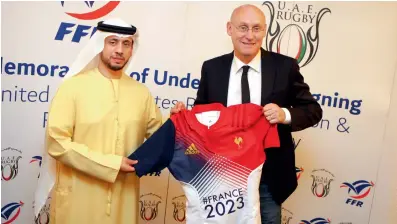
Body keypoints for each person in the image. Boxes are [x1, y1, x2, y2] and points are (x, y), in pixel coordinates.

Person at [171, 4, 323, 223]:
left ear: (265, 31)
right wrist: (184, 117)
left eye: (256, 28)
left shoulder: (285, 67)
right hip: (220, 177)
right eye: (243, 27)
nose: (249, 36)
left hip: (268, 178)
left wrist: (284, 114)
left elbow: (313, 111)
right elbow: (201, 114)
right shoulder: (212, 68)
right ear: (229, 29)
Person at [34, 18, 163, 224]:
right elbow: (57, 142)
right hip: (79, 201)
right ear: (99, 44)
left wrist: (178, 121)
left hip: (124, 202)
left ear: (132, 49)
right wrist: (111, 164)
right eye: (112, 42)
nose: (119, 50)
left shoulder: (141, 93)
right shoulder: (72, 88)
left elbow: (160, 138)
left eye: (126, 44)